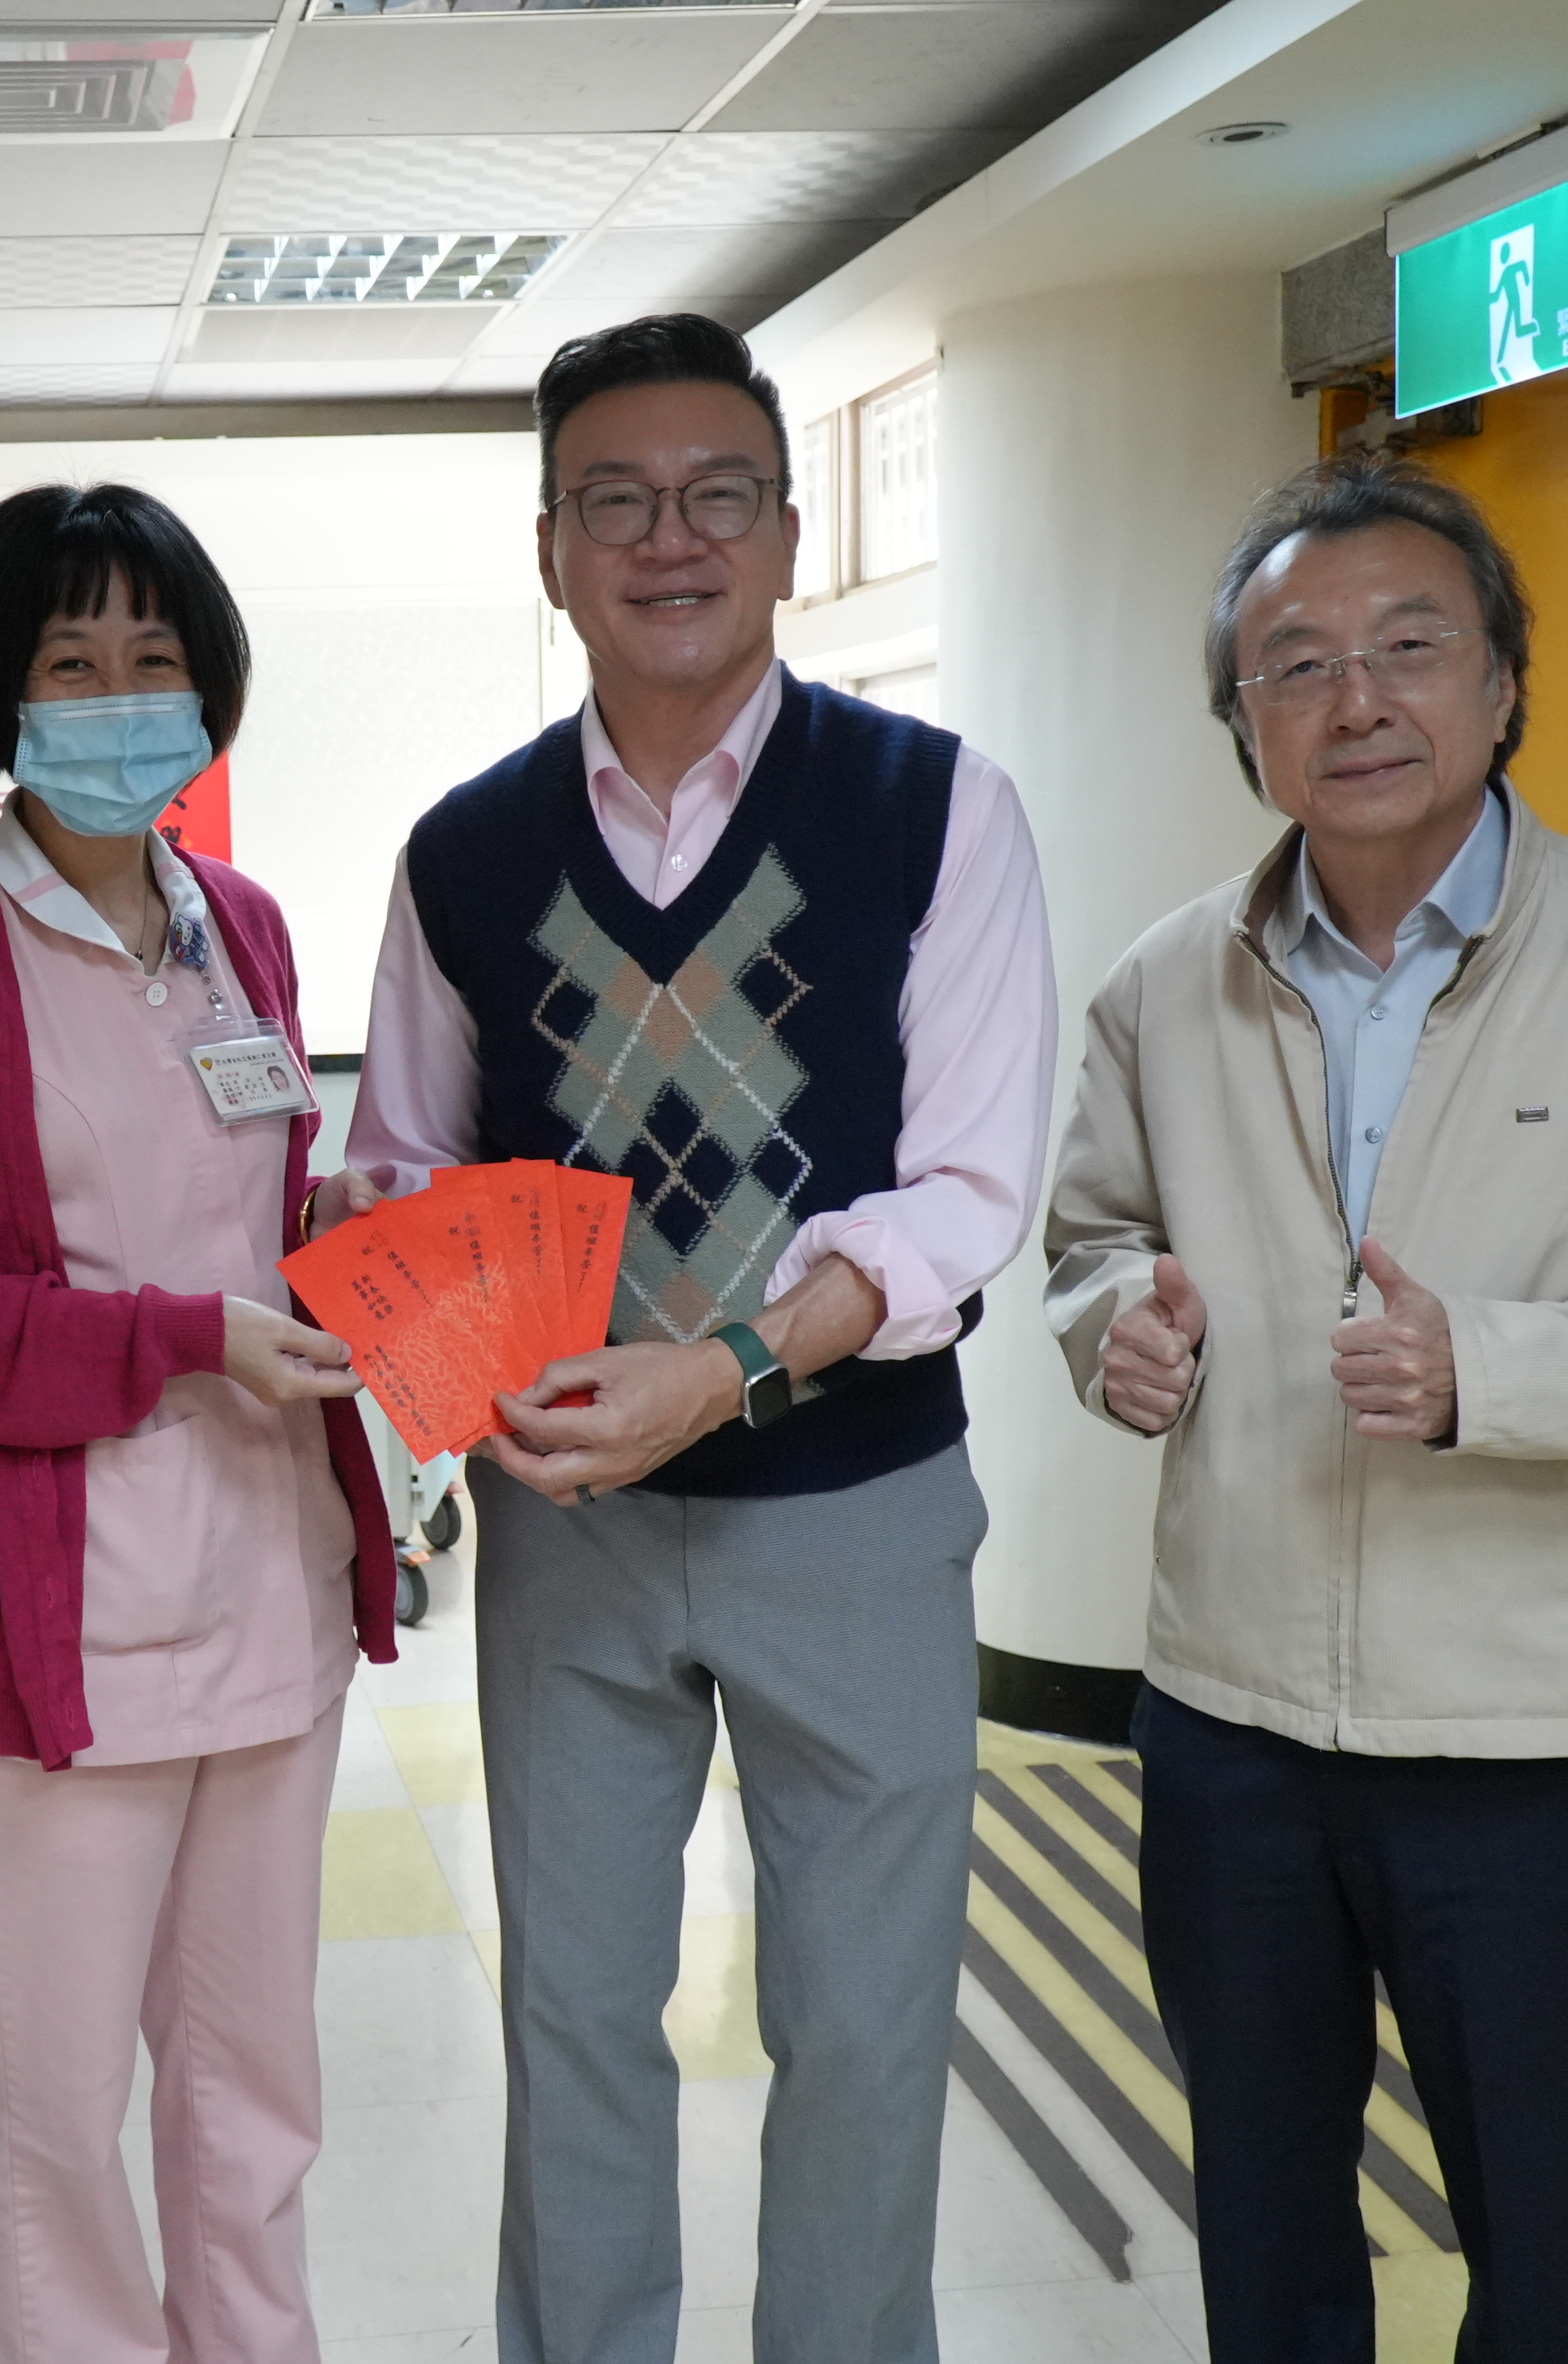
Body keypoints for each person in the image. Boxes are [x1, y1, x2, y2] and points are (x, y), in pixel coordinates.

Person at [1044, 453, 1568, 2362]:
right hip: (1231, 1717)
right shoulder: (1165, 985)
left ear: (1502, 682)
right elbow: (1090, 1237)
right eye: (1295, 664)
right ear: (1242, 721)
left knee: (1537, 2245)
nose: (1355, 699)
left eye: (1408, 646)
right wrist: (1113, 1330)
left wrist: (1485, 1366)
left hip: (1528, 1732)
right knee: (1261, 2223)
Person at [346, 313, 1058, 2364]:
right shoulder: (465, 848)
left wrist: (726, 1366)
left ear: (788, 531)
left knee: (863, 2021)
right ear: (549, 547)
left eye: (717, 493)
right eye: (617, 501)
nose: (671, 537)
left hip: (854, 1511)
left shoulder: (931, 806)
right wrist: (451, 1348)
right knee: (570, 2010)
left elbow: (966, 1190)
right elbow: (405, 1157)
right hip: (569, 1525)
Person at [0, 483, 404, 2364]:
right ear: (2, 693)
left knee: (252, 2093)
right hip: (52, 1621)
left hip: (268, 1590)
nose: (122, 697)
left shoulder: (241, 925)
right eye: (74, 662)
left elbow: (245, 1205)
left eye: (156, 658)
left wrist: (350, 1241)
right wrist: (178, 1338)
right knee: (50, 2126)